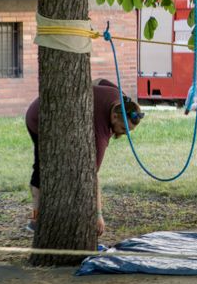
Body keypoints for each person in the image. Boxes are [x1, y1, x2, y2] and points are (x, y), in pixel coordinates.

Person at [24, 81, 144, 234]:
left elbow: (100, 81)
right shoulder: (101, 131)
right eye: (123, 128)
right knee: (41, 169)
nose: (124, 133)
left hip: (61, 118)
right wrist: (98, 215)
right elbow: (92, 175)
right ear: (114, 116)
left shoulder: (123, 100)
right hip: (40, 117)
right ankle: (35, 219)